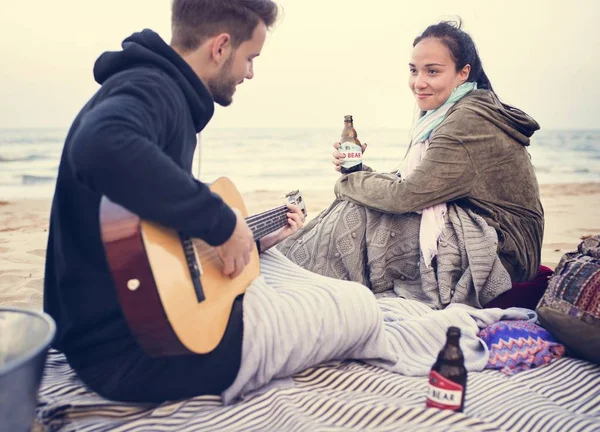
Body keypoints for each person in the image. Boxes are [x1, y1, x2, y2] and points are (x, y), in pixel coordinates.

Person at [44, 0, 307, 403]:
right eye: (250, 58)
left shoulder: (155, 88)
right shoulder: (154, 88)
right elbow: (100, 145)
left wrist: (245, 241)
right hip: (129, 355)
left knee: (290, 295)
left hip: (123, 330)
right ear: (220, 47)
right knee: (345, 310)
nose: (250, 73)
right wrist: (220, 222)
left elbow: (155, 236)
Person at [278, 20, 544, 310]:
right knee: (360, 205)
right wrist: (358, 173)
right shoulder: (446, 111)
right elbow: (417, 182)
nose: (419, 82)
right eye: (414, 70)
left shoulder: (467, 120)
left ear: (462, 73)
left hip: (504, 251)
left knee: (359, 212)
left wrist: (348, 182)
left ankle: (301, 285)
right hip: (478, 224)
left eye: (433, 71)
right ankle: (301, 275)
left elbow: (406, 196)